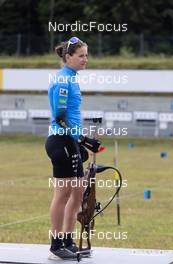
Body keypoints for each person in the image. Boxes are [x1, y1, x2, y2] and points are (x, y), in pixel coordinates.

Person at [45, 36, 88, 260]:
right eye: (81, 56)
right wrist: (80, 139)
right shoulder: (62, 80)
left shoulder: (73, 78)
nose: (85, 60)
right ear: (68, 57)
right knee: (62, 193)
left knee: (79, 191)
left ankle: (68, 241)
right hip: (60, 141)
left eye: (86, 55)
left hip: (70, 140)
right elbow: (60, 117)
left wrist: (81, 140)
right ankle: (55, 246)